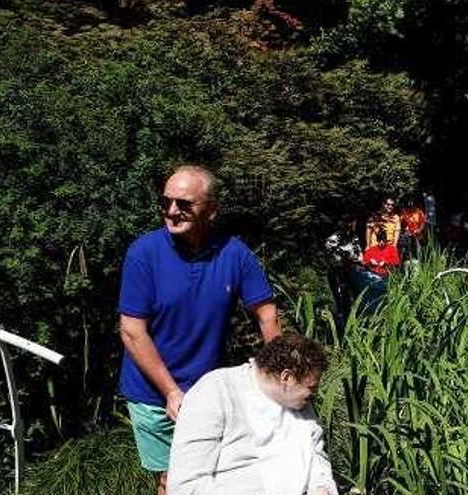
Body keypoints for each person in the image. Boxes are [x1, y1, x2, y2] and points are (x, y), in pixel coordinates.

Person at [118, 165, 281, 494]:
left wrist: (280, 372)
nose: (172, 211)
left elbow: (267, 315)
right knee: (173, 480)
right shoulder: (144, 254)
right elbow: (132, 331)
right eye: (166, 203)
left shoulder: (234, 253)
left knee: (217, 474)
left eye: (183, 204)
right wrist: (171, 392)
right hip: (153, 393)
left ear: (211, 210)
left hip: (208, 389)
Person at [168, 333, 338, 495]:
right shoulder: (215, 392)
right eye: (311, 387)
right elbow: (185, 487)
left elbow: (316, 454)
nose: (314, 394)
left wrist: (322, 486)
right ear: (286, 377)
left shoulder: (298, 401)